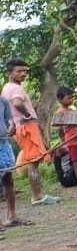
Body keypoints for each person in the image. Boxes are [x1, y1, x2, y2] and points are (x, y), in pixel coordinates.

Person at [2, 60, 58, 206]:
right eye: (19, 71)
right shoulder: (16, 89)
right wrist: (27, 115)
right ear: (10, 73)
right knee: (34, 162)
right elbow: (17, 103)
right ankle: (37, 197)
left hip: (19, 127)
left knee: (33, 160)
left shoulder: (6, 88)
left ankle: (38, 195)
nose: (23, 74)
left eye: (25, 71)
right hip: (27, 126)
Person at [0, 88, 28, 228]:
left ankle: (12, 216)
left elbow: (9, 120)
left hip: (4, 143)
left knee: (7, 178)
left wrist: (11, 127)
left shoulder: (3, 101)